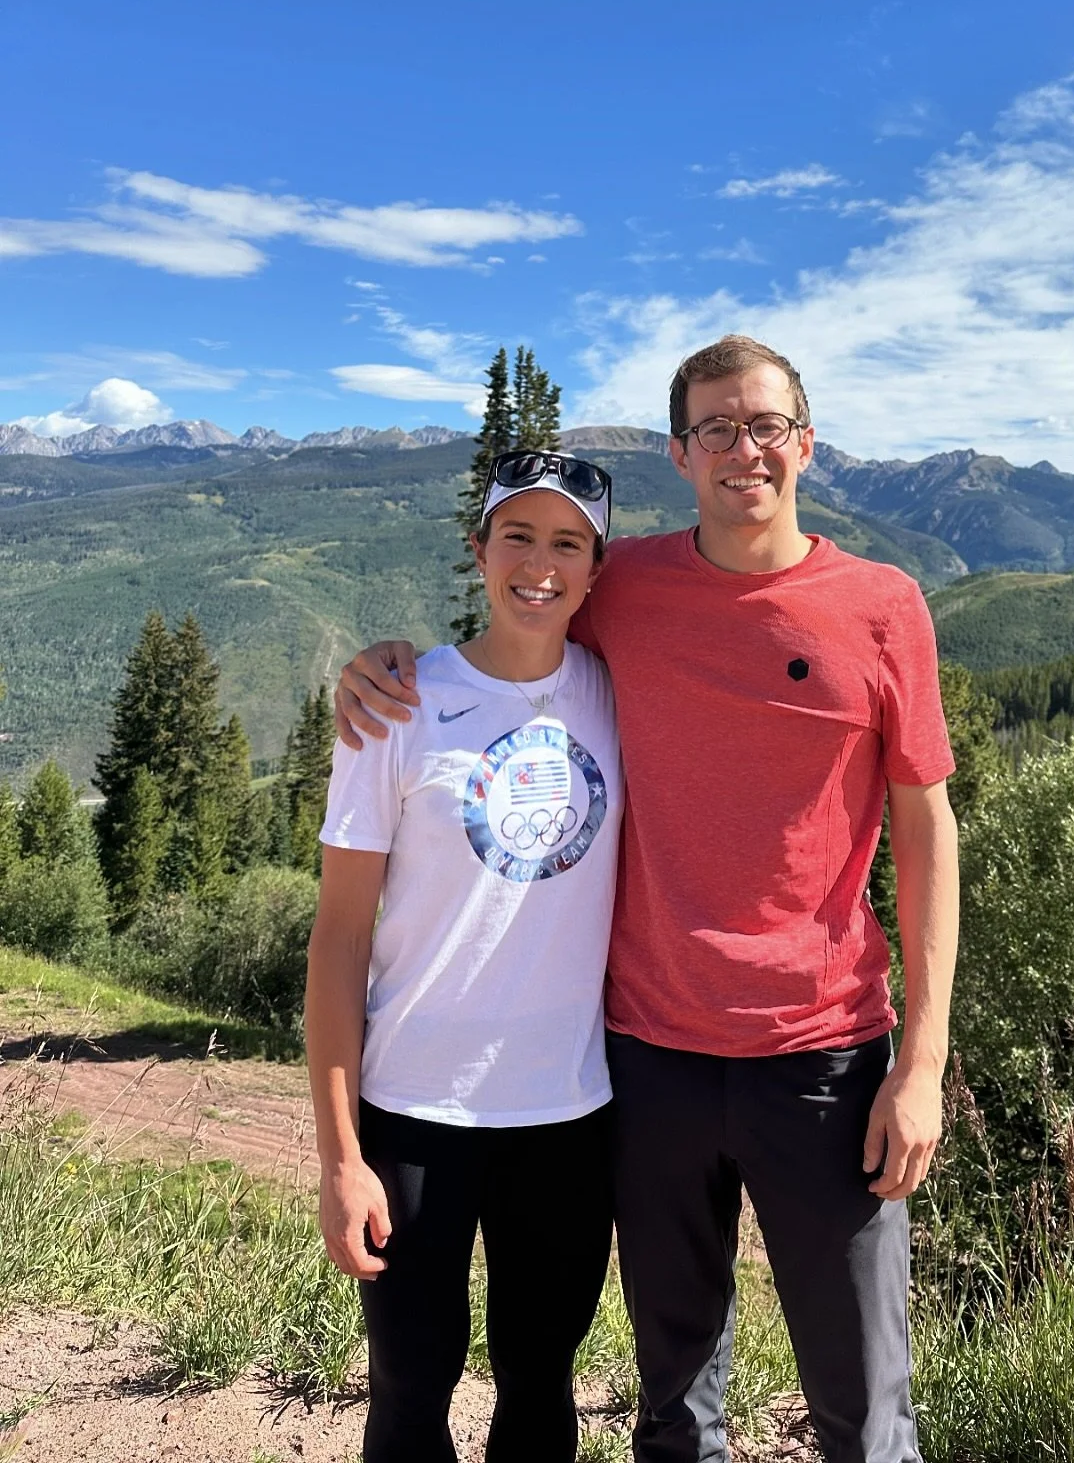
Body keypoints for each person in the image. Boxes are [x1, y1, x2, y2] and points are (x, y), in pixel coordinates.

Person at [336, 334, 960, 1463]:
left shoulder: (883, 605)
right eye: (715, 427)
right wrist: (379, 666)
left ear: (805, 444)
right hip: (647, 1061)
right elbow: (523, 609)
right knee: (674, 1407)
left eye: (764, 424)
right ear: (680, 453)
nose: (742, 448)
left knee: (866, 1414)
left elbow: (926, 832)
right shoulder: (628, 589)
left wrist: (921, 1065)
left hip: (823, 1055)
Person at [306, 449, 624, 1463]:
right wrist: (340, 1159)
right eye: (517, 536)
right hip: (414, 1117)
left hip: (569, 1115)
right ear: (478, 550)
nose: (540, 563)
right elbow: (338, 940)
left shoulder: (621, 698)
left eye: (567, 542)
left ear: (596, 566)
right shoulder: (394, 709)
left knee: (541, 1386)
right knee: (410, 1387)